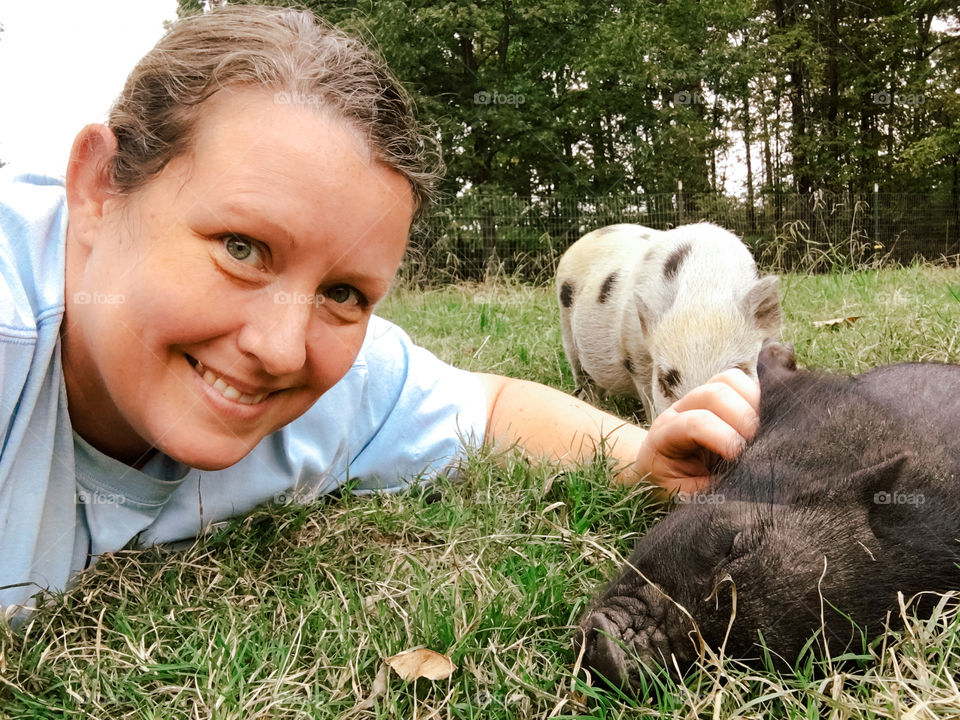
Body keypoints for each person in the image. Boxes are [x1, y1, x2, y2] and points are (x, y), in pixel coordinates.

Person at [0, 5, 759, 618]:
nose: (281, 349)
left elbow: (488, 407)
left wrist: (639, 459)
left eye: (343, 294)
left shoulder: (328, 387)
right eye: (240, 246)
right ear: (100, 188)